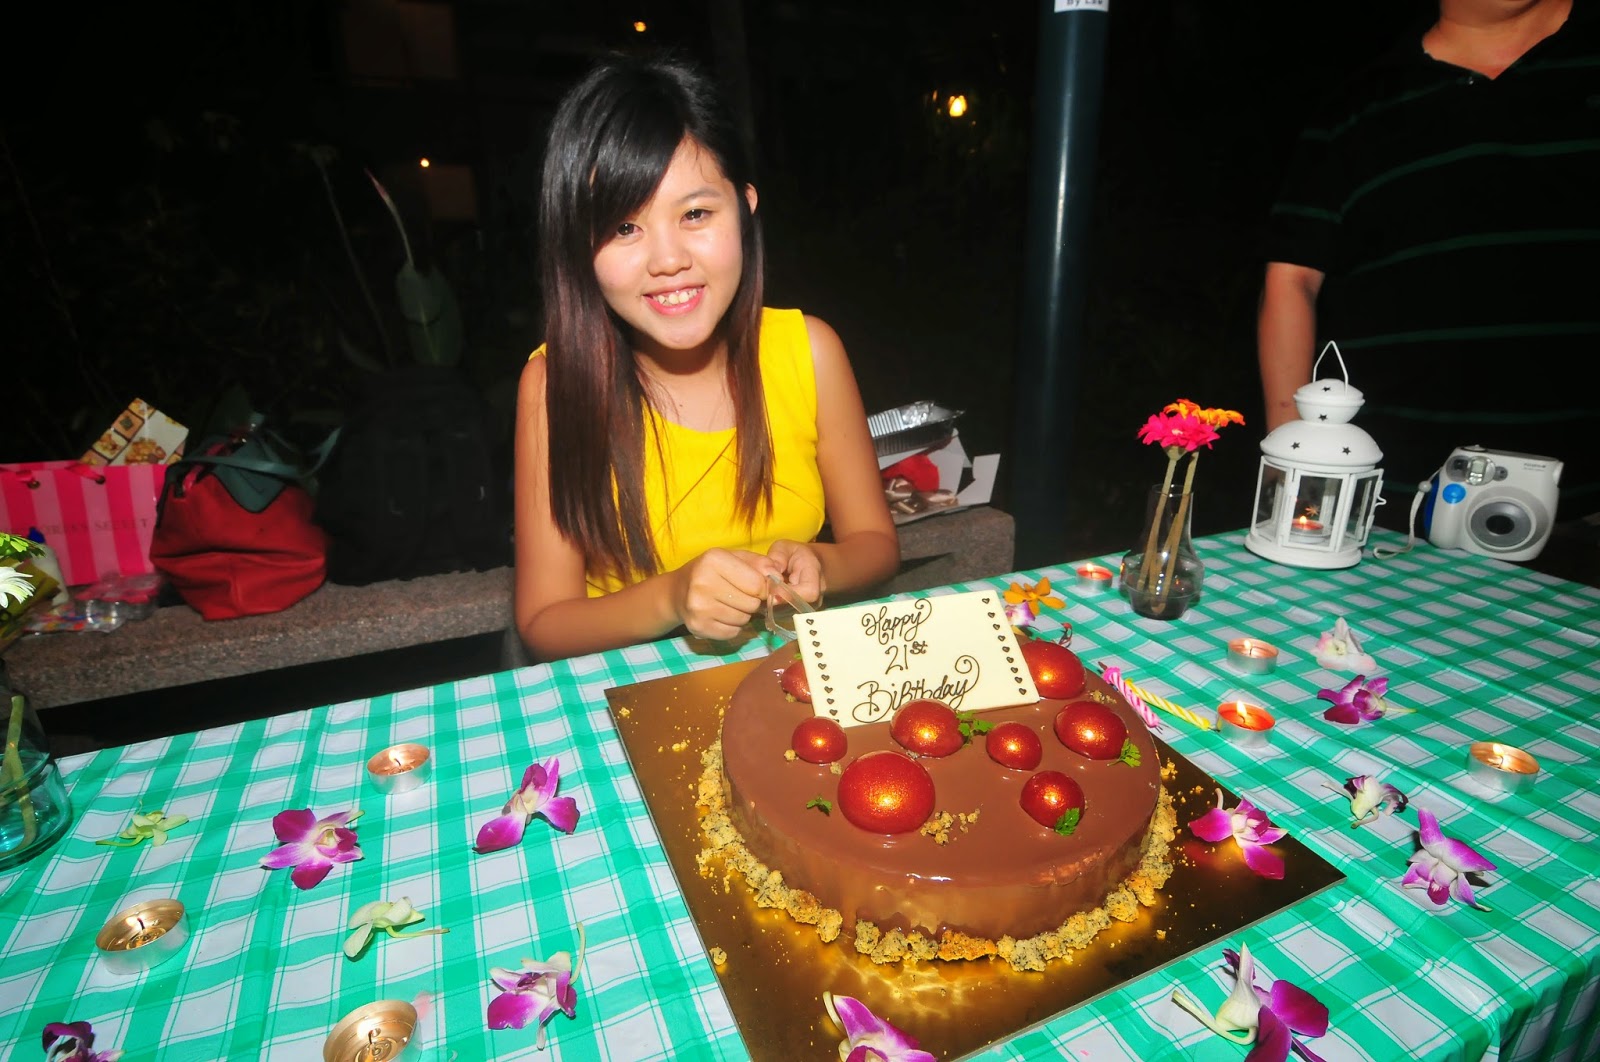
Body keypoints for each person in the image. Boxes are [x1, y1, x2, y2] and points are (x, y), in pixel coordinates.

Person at [513, 53, 900, 660]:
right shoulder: (553, 385)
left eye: (695, 214)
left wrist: (822, 562)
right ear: (578, 243)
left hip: (794, 671)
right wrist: (673, 597)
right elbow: (544, 622)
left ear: (745, 207)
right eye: (623, 228)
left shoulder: (811, 350)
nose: (668, 260)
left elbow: (875, 543)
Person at [1257, 0, 1600, 529]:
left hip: (1586, 506)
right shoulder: (1353, 110)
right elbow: (1292, 279)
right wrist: (1296, 474)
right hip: (1390, 504)